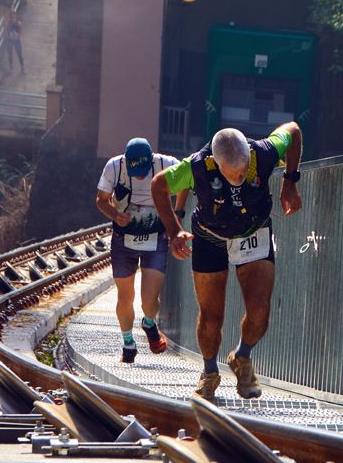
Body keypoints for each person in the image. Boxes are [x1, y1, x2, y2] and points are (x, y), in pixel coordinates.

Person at [151, 122, 302, 400]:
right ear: (217, 164)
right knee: (211, 317)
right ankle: (209, 373)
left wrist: (290, 181)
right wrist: (174, 231)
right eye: (235, 174)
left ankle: (242, 357)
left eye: (246, 170)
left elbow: (293, 131)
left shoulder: (265, 151)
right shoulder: (196, 167)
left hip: (252, 231)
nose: (242, 176)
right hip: (210, 235)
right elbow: (159, 184)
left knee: (259, 311)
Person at [95, 138, 188, 363]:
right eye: (136, 171)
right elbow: (101, 200)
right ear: (126, 162)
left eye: (144, 171)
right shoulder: (114, 167)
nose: (140, 176)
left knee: (149, 300)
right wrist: (116, 215)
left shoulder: (165, 164)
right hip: (123, 238)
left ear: (152, 159)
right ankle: (128, 343)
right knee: (125, 295)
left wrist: (178, 213)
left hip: (155, 237)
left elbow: (185, 181)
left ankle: (148, 322)